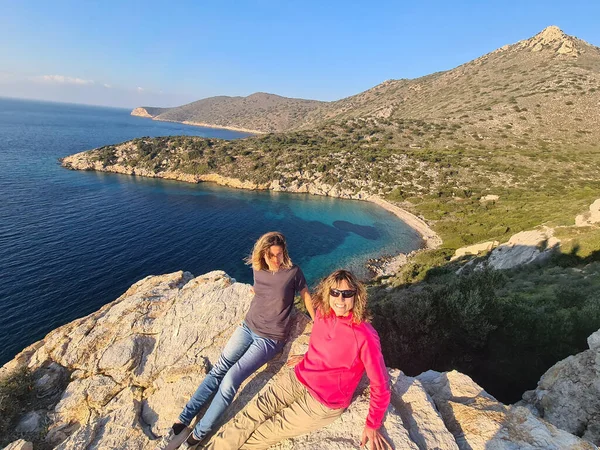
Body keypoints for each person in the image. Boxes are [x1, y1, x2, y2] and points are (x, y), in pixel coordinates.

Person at [155, 231, 315, 450]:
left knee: (230, 380)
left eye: (279, 254)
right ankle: (181, 423)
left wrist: (319, 323)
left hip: (269, 338)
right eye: (271, 255)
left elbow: (306, 295)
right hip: (247, 327)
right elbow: (261, 292)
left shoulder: (293, 272)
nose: (276, 260)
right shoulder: (258, 269)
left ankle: (197, 435)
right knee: (218, 369)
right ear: (263, 254)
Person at [204, 269, 392, 450]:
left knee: (266, 432)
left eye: (347, 293)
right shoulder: (322, 312)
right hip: (299, 377)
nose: (340, 299)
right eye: (335, 292)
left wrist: (373, 424)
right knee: (251, 414)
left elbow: (381, 384)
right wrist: (310, 356)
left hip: (322, 403)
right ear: (328, 293)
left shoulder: (365, 335)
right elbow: (324, 341)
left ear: (356, 296)